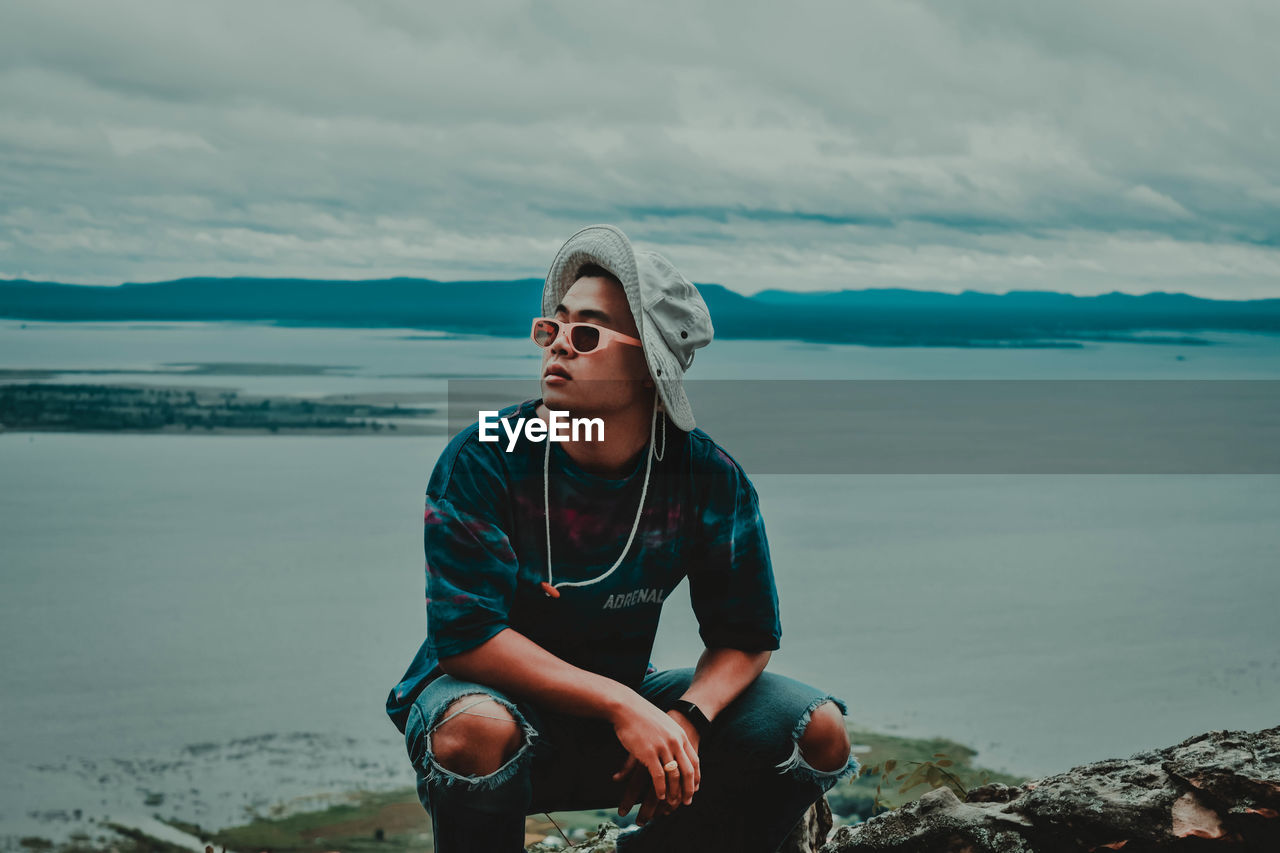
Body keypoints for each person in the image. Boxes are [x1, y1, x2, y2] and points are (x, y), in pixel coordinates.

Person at [384, 224, 860, 852]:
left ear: (647, 367)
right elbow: (467, 638)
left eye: (586, 334)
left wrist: (686, 718)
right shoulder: (486, 456)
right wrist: (625, 706)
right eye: (551, 328)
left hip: (619, 715)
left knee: (817, 732)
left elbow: (744, 636)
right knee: (475, 730)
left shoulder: (705, 476)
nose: (558, 348)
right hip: (489, 708)